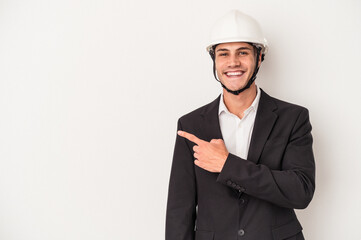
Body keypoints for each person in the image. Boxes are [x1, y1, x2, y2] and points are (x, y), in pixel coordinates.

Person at [165, 10, 315, 240]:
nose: (233, 62)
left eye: (242, 52)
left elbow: (300, 192)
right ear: (214, 60)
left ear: (259, 57)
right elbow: (179, 210)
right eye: (223, 54)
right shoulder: (191, 125)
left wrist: (227, 165)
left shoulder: (293, 118)